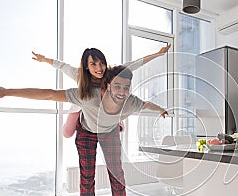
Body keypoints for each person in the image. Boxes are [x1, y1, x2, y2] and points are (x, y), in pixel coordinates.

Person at [0, 60, 168, 196]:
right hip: (86, 132)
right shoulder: (87, 96)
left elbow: (146, 104)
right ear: (107, 85)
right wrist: (7, 91)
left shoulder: (130, 102)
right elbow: (50, 94)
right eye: (117, 85)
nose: (122, 91)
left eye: (126, 88)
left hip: (109, 132)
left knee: (117, 173)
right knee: (87, 175)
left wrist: (160, 109)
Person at [31, 45, 171, 138]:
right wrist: (44, 59)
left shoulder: (111, 73)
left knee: (115, 122)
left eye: (101, 63)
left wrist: (158, 54)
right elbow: (61, 66)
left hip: (106, 107)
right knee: (67, 133)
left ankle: (116, 122)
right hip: (83, 105)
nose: (99, 68)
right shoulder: (78, 74)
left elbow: (134, 64)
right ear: (86, 66)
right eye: (93, 64)